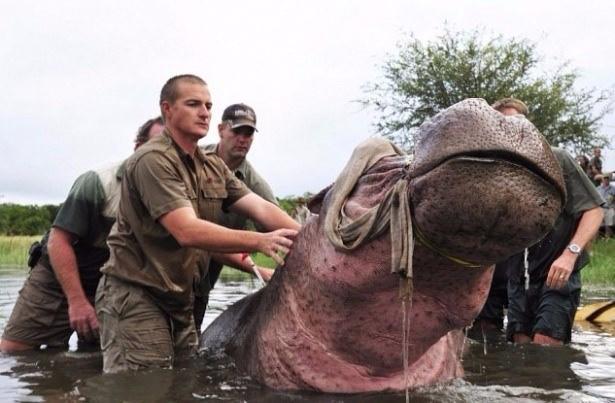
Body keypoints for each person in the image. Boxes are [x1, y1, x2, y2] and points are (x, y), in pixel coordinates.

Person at [94, 74, 300, 373]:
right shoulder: (152, 160)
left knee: (183, 382)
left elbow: (260, 208)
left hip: (180, 298)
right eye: (193, 104)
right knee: (141, 388)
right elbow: (186, 230)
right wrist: (259, 241)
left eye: (208, 105)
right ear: (168, 109)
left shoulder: (211, 165)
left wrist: (313, 238)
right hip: (136, 295)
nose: (204, 112)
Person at [0, 117, 164, 353]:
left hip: (111, 282)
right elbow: (59, 242)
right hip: (58, 275)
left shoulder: (175, 191)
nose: (164, 156)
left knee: (100, 359)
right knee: (15, 351)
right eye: (157, 147)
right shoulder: (97, 182)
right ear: (138, 148)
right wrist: (77, 302)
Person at [498, 104, 604, 346]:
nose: (514, 128)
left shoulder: (557, 159)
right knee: (520, 347)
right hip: (519, 277)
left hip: (557, 273)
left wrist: (570, 254)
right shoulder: (496, 171)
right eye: (503, 124)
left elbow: (594, 210)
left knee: (546, 345)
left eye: (519, 121)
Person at [194, 103, 277, 332]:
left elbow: (280, 229)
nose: (243, 139)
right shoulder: (191, 161)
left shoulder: (256, 186)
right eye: (237, 131)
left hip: (202, 283)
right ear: (220, 129)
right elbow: (191, 233)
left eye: (248, 133)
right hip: (166, 269)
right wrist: (256, 268)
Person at [471, 97, 530, 336]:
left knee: (524, 337)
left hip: (526, 268)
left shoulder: (540, 164)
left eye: (519, 122)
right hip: (486, 265)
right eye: (504, 122)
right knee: (484, 335)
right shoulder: (477, 163)